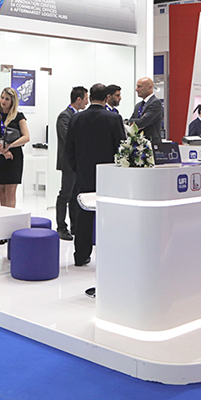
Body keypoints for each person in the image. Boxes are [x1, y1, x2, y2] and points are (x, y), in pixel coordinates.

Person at [65, 83, 125, 267]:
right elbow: (121, 148)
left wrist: (78, 168)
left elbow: (69, 148)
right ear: (106, 98)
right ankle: (109, 254)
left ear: (90, 97)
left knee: (83, 214)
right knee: (108, 214)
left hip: (83, 173)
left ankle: (81, 255)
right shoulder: (114, 118)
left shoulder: (76, 118)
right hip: (108, 174)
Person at [0, 87, 30, 214]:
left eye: (7, 99)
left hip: (14, 157)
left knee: (10, 193)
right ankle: (2, 217)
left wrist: (10, 146)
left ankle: (9, 218)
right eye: (2, 98)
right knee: (1, 192)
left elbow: (26, 137)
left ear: (12, 101)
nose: (3, 101)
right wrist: (2, 149)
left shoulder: (18, 116)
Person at [55, 86, 89, 241]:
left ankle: (75, 226)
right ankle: (61, 227)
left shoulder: (78, 116)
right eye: (86, 99)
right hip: (69, 163)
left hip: (78, 163)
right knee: (65, 195)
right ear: (79, 99)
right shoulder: (65, 116)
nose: (87, 102)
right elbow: (68, 138)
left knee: (76, 196)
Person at [127, 77, 163, 144]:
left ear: (150, 87)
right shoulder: (138, 105)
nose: (136, 89)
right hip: (137, 144)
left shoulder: (155, 103)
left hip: (151, 144)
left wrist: (138, 122)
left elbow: (142, 122)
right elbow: (130, 122)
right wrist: (136, 122)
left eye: (139, 87)